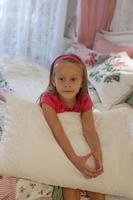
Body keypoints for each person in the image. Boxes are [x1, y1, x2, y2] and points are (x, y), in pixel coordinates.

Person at [39, 54, 105, 200]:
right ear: (53, 80)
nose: (67, 84)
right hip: (61, 148)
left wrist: (97, 153)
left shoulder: (84, 100)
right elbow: (57, 130)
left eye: (73, 79)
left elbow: (89, 128)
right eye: (61, 78)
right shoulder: (47, 100)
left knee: (98, 190)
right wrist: (75, 160)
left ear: (82, 82)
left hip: (78, 148)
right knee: (70, 184)